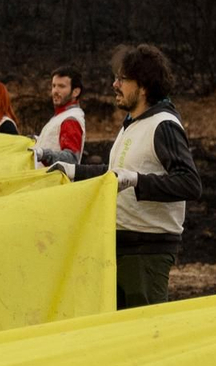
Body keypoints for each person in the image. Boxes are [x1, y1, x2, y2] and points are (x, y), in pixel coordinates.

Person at [41, 44, 201, 309]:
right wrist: (72, 171)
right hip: (122, 244)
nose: (115, 85)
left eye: (122, 79)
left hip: (147, 249)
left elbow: (189, 183)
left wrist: (138, 181)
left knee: (145, 328)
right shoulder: (132, 124)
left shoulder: (163, 125)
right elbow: (116, 172)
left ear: (143, 86)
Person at [31, 68, 87, 165]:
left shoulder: (70, 119)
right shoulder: (61, 116)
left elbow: (71, 159)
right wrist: (36, 140)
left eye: (61, 86)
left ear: (75, 92)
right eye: (54, 86)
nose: (55, 91)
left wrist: (44, 155)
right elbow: (54, 143)